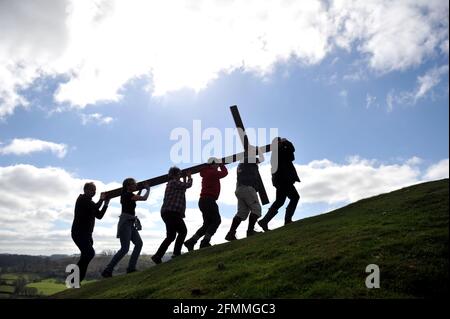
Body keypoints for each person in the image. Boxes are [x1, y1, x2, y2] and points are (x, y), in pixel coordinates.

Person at [102, 178, 150, 277]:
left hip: (130, 223)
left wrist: (140, 190)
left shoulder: (126, 195)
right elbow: (144, 198)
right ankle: (108, 270)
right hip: (125, 223)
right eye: (134, 184)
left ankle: (131, 268)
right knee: (124, 249)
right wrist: (148, 189)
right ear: (128, 186)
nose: (136, 186)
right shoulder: (128, 195)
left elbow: (136, 196)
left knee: (139, 243)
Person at [184, 157, 228, 251]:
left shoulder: (206, 172)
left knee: (207, 224)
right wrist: (221, 164)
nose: (217, 166)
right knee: (216, 220)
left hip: (203, 200)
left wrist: (218, 164)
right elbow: (224, 173)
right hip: (209, 200)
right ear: (212, 164)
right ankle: (205, 242)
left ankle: (191, 242)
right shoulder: (212, 172)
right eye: (216, 164)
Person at [151, 167, 192, 264]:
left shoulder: (174, 184)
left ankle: (157, 256)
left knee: (171, 236)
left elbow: (183, 189)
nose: (180, 176)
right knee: (183, 231)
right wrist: (189, 177)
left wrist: (185, 178)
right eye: (179, 174)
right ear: (174, 175)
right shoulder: (173, 182)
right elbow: (188, 185)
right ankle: (176, 253)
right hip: (171, 212)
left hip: (168, 212)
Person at [258, 137, 300, 231]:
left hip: (280, 180)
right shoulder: (279, 150)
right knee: (295, 197)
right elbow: (292, 151)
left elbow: (291, 156)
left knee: (280, 201)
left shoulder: (277, 152)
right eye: (280, 141)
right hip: (283, 180)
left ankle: (264, 221)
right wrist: (286, 141)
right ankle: (287, 220)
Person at [71, 182, 109, 282]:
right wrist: (102, 199)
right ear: (85, 190)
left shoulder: (90, 203)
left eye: (94, 190)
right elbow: (96, 207)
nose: (94, 192)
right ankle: (73, 278)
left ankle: (77, 280)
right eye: (92, 189)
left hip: (87, 234)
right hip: (79, 232)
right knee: (89, 253)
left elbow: (99, 215)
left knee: (86, 256)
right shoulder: (82, 199)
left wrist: (106, 204)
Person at [225, 150, 264, 241]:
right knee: (256, 210)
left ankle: (231, 233)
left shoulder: (241, 163)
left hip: (239, 189)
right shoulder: (248, 160)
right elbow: (260, 159)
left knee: (241, 213)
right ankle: (250, 231)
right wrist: (259, 151)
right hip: (247, 188)